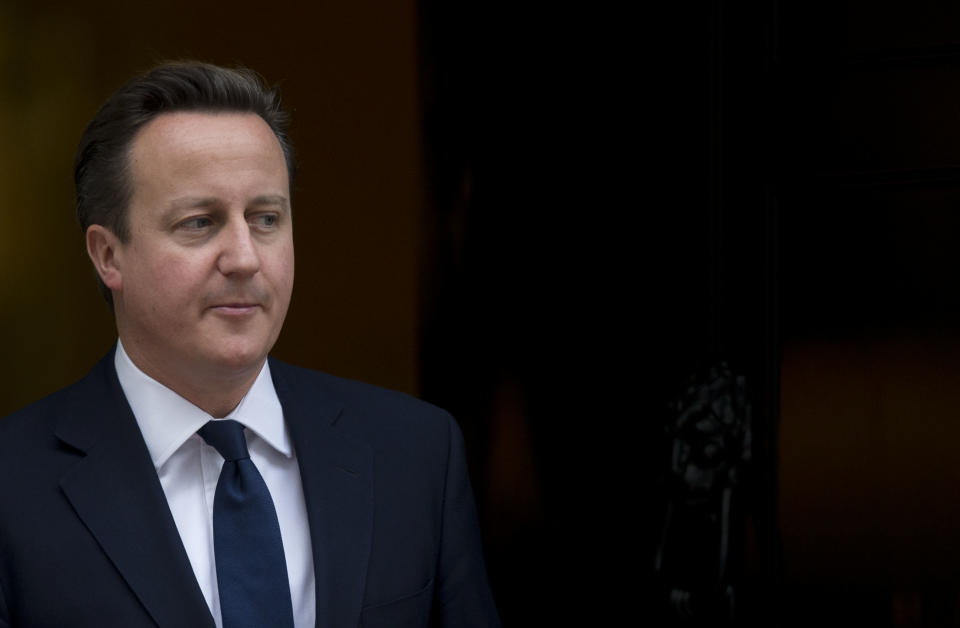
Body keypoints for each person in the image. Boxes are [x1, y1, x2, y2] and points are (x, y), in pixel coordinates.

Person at [0, 61, 500, 628]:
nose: (244, 257)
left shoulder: (415, 455)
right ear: (108, 255)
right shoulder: (13, 487)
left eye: (265, 218)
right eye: (198, 222)